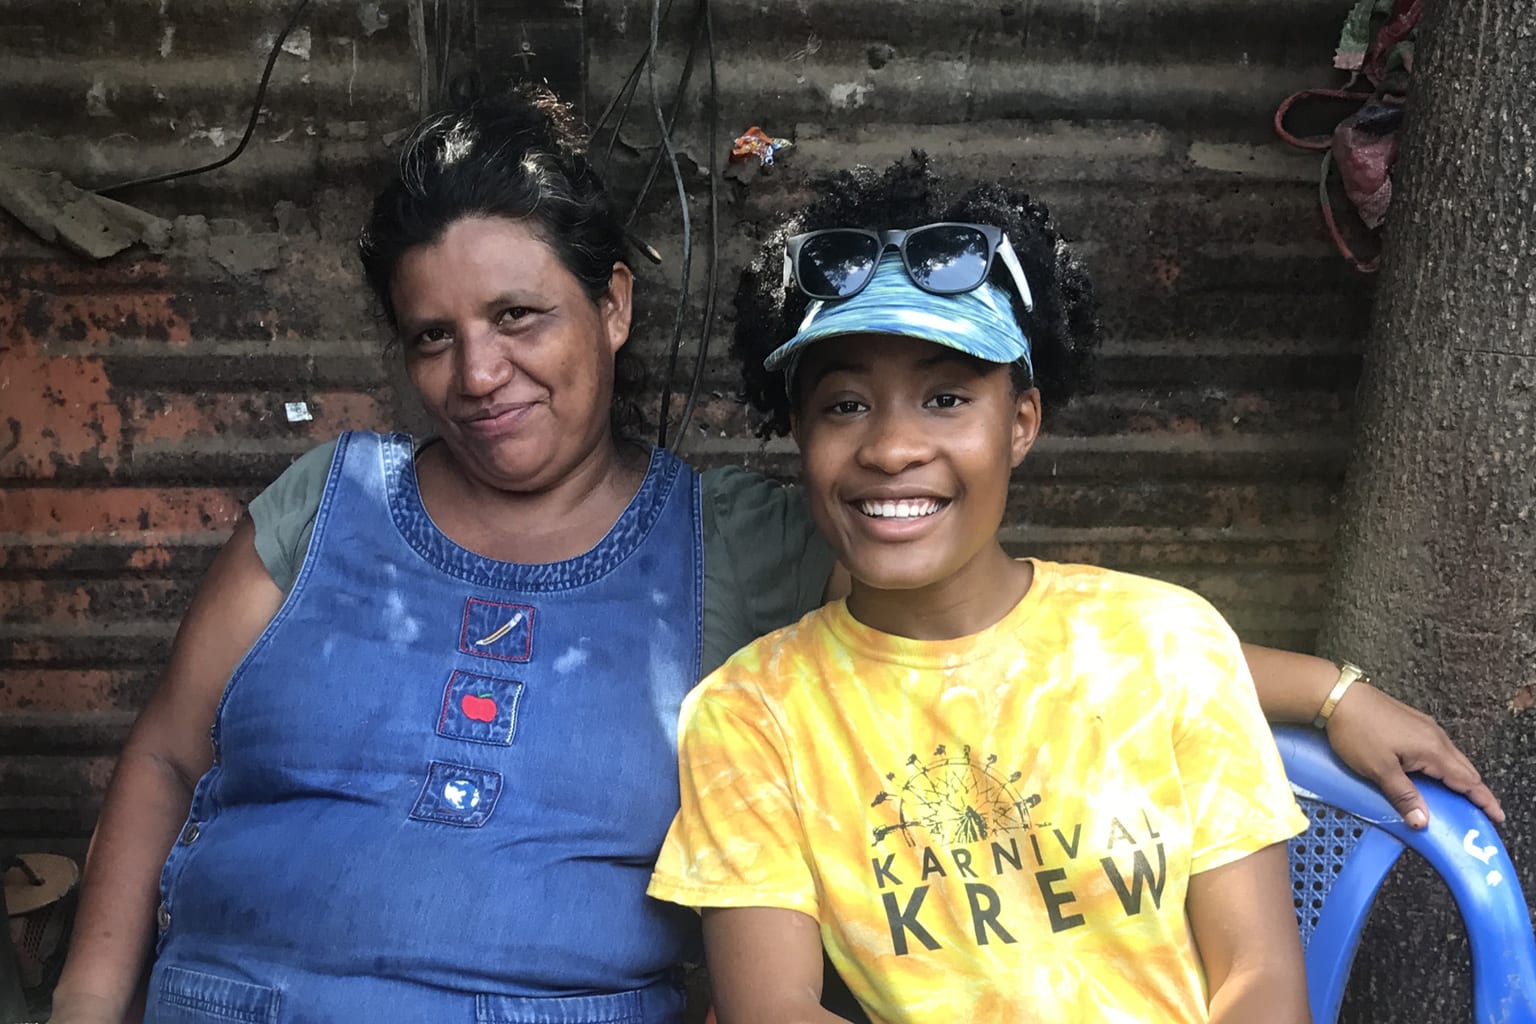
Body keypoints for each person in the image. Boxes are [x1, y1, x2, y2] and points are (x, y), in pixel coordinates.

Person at [46, 91, 1495, 1024]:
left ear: (613, 306)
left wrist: (1330, 688)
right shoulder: (332, 501)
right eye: (434, 336)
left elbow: (1031, 640)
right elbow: (168, 758)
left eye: (521, 319)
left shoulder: (732, 542)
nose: (478, 373)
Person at [648, 161, 1313, 1022]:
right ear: (799, 436)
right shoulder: (752, 715)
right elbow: (773, 1011)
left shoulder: (1165, 639)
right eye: (845, 405)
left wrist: (1338, 694)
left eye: (947, 396)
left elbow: (1259, 978)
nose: (891, 447)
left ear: (1022, 424)